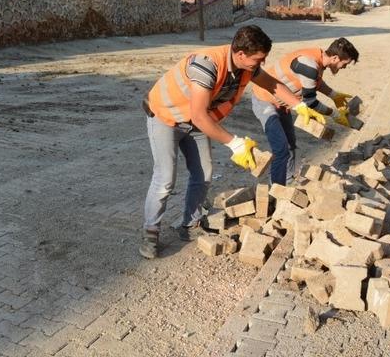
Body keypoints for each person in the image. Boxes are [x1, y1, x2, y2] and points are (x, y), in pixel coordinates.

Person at [139, 25, 326, 259]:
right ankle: (150, 233)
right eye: (258, 59)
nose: (262, 63)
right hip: (166, 117)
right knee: (165, 178)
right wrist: (235, 143)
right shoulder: (206, 65)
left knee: (204, 173)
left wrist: (299, 106)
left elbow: (272, 84)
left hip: (195, 122)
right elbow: (199, 115)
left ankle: (189, 224)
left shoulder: (246, 67)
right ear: (240, 54)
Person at [250, 37, 360, 186]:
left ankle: (287, 180)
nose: (344, 67)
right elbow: (310, 102)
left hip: (284, 103)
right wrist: (334, 115)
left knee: (291, 144)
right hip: (264, 99)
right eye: (344, 64)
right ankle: (275, 189)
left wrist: (333, 95)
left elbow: (315, 82)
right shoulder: (309, 65)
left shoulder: (317, 58)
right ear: (335, 58)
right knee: (281, 148)